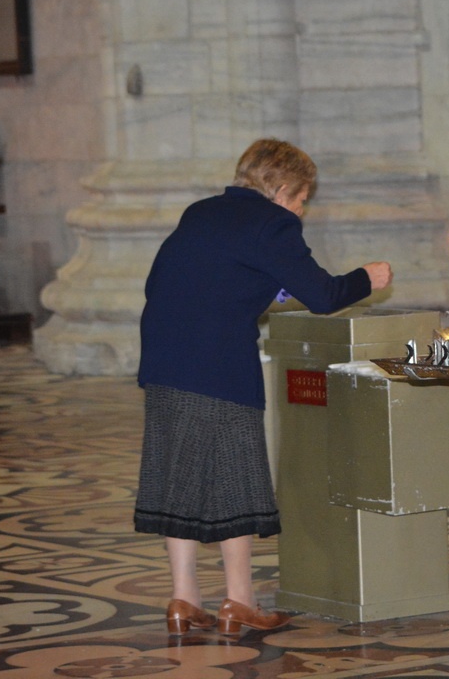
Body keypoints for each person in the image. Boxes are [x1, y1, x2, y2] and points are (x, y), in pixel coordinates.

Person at [134, 138, 393, 636]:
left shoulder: (202, 212)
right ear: (282, 189)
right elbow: (324, 295)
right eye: (302, 199)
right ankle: (239, 601)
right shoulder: (273, 223)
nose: (301, 210)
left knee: (176, 478)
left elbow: (191, 281)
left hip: (165, 361)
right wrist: (368, 276)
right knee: (234, 480)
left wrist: (262, 291)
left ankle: (184, 600)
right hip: (217, 366)